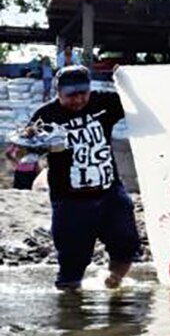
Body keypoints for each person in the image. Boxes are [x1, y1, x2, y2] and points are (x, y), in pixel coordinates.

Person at [29, 65, 141, 291]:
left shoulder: (103, 103)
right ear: (58, 92)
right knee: (72, 262)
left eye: (83, 93)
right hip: (70, 200)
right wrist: (23, 148)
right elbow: (24, 145)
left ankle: (114, 284)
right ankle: (70, 312)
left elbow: (140, 104)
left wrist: (127, 78)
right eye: (71, 95)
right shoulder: (46, 116)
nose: (79, 99)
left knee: (127, 245)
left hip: (110, 193)